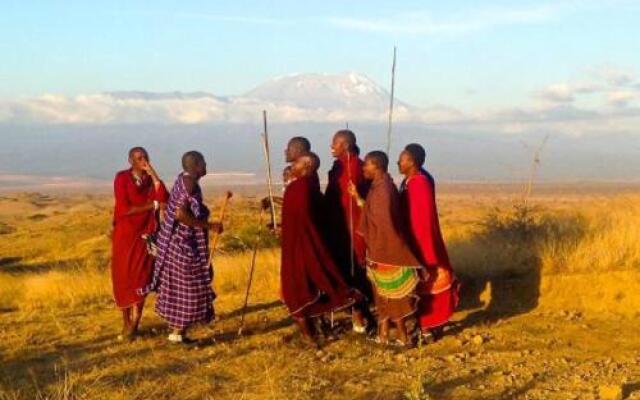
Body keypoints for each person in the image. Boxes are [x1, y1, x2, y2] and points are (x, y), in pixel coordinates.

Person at [277, 153, 362, 345]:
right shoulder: (307, 186)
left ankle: (309, 337)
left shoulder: (299, 188)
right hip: (300, 244)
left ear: (307, 165)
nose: (292, 167)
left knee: (296, 291)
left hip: (300, 247)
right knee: (309, 287)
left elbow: (305, 220)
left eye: (296, 163)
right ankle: (314, 332)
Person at [140, 151, 223, 344]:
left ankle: (177, 333)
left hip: (180, 243)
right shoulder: (189, 183)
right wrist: (210, 226)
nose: (206, 166)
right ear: (195, 166)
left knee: (182, 288)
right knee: (190, 288)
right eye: (203, 162)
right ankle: (178, 331)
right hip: (182, 245)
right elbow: (180, 214)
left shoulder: (184, 180)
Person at [349, 151, 421, 347]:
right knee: (382, 294)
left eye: (367, 165)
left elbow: (384, 224)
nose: (363, 168)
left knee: (392, 295)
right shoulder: (379, 187)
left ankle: (403, 337)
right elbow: (374, 215)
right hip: (379, 251)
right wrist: (358, 198)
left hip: (387, 251)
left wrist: (377, 245)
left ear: (377, 166)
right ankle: (382, 334)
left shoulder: (384, 190)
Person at [398, 143, 459, 342]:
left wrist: (422, 247)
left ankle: (428, 326)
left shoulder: (420, 183)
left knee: (429, 284)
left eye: (403, 159)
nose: (399, 162)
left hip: (422, 242)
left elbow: (423, 220)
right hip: (412, 241)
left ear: (412, 162)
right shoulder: (409, 181)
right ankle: (422, 326)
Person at [111, 146, 168, 341]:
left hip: (146, 236)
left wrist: (154, 175)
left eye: (145, 157)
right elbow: (124, 208)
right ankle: (126, 322)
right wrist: (151, 205)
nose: (143, 160)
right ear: (130, 161)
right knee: (124, 278)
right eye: (138, 158)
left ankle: (136, 323)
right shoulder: (122, 178)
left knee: (142, 277)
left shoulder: (150, 181)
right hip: (126, 237)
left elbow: (164, 199)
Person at [324, 129, 371, 333]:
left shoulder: (354, 168)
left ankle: (360, 317)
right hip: (339, 228)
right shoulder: (340, 166)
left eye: (334, 143)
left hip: (352, 231)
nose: (331, 147)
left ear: (345, 145)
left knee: (354, 272)